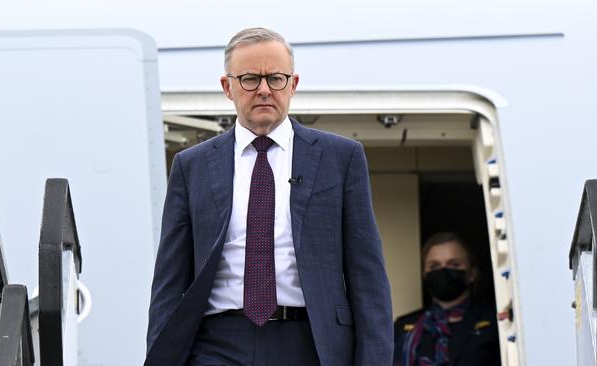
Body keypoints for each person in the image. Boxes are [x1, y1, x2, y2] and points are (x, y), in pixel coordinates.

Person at [144, 27, 393, 366]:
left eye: (275, 78)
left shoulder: (341, 157)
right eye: (249, 79)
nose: (263, 90)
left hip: (310, 342)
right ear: (227, 87)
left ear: (293, 84)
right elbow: (170, 280)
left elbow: (368, 276)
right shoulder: (192, 166)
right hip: (215, 343)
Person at [393, 232, 501, 366]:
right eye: (434, 266)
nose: (443, 270)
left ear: (472, 273)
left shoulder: (495, 322)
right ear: (424, 274)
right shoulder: (403, 327)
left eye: (454, 264)